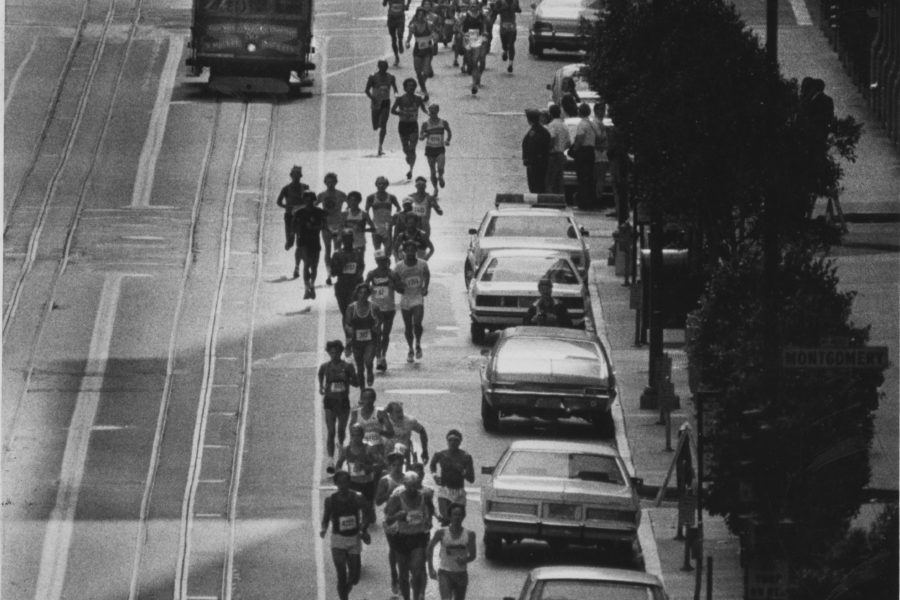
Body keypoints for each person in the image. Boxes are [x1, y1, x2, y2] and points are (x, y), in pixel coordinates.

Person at [383, 471, 436, 600]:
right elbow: (388, 519)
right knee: (403, 574)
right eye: (410, 485)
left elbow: (431, 509)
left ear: (419, 484)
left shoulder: (425, 496)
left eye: (415, 485)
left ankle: (417, 596)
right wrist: (397, 516)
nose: (412, 489)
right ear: (404, 484)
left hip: (418, 538)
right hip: (401, 538)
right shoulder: (397, 497)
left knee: (417, 572)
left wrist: (428, 519)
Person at [320, 469, 371, 600]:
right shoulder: (330, 500)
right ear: (336, 483)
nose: (343, 486)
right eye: (340, 483)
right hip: (338, 540)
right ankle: (343, 596)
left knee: (355, 578)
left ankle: (346, 589)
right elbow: (325, 518)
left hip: (354, 539)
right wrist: (323, 529)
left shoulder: (358, 497)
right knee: (341, 575)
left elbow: (367, 514)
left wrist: (363, 528)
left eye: (346, 482)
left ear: (350, 483)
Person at [318, 340, 359, 472]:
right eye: (332, 353)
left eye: (337, 353)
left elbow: (356, 383)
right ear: (328, 353)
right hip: (329, 402)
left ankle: (341, 449)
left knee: (341, 431)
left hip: (343, 403)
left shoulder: (348, 367)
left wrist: (347, 378)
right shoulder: (325, 367)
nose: (334, 355)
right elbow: (320, 375)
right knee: (331, 431)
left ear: (341, 352)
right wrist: (321, 386)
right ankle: (330, 459)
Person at [375, 448, 408, 596]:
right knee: (394, 548)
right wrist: (390, 492)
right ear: (390, 465)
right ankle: (395, 575)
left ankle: (403, 575)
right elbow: (378, 501)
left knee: (405, 549)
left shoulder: (408, 478)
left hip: (407, 518)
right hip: (391, 518)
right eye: (395, 464)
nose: (398, 467)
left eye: (400, 464)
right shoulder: (385, 480)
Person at [426, 503, 476, 600]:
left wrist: (465, 560)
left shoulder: (469, 534)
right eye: (454, 514)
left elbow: (473, 555)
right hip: (445, 573)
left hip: (461, 574)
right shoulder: (441, 533)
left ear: (463, 516)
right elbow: (430, 548)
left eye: (459, 515)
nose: (457, 517)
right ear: (450, 516)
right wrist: (431, 568)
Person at [336, 423, 381, 525]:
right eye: (353, 435)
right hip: (353, 483)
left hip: (367, 483)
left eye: (358, 435)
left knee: (368, 514)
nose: (356, 438)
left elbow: (380, 464)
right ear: (350, 436)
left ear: (363, 435)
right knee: (352, 509)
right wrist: (340, 478)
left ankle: (370, 513)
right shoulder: (346, 450)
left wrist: (366, 467)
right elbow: (338, 465)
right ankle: (357, 529)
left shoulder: (369, 449)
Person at [394, 240, 431, 363]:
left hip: (417, 298)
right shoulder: (399, 266)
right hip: (405, 299)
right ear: (403, 252)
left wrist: (425, 287)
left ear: (416, 251)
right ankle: (410, 348)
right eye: (407, 250)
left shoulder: (422, 264)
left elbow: (427, 274)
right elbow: (394, 279)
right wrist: (398, 287)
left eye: (412, 250)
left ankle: (418, 344)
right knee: (408, 327)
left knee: (417, 323)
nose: (410, 253)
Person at [429, 430, 475, 526]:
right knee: (445, 519)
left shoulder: (466, 457)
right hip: (445, 491)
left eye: (456, 440)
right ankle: (444, 537)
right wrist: (434, 475)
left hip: (458, 492)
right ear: (447, 441)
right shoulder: (440, 454)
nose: (453, 443)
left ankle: (455, 539)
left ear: (460, 442)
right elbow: (432, 464)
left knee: (457, 520)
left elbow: (471, 479)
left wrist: (462, 471)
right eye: (450, 440)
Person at [365, 249, 400, 372]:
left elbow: (401, 289)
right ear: (376, 261)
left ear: (386, 260)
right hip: (376, 309)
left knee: (385, 335)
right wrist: (368, 289)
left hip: (389, 309)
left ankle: (383, 356)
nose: (382, 263)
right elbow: (364, 290)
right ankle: (378, 358)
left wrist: (393, 285)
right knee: (377, 334)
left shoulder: (392, 274)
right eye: (379, 261)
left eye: (383, 260)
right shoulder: (371, 274)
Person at [344, 282, 382, 387]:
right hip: (356, 341)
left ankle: (370, 371)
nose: (363, 295)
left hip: (370, 340)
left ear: (368, 294)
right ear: (357, 294)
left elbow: (379, 321)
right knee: (360, 368)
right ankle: (362, 392)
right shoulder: (351, 308)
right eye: (360, 293)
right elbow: (347, 324)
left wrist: (377, 327)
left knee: (368, 361)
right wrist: (349, 331)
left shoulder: (374, 307)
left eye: (365, 293)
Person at [391, 78, 430, 181]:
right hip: (403, 125)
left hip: (413, 125)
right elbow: (392, 110)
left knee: (412, 149)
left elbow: (423, 108)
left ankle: (411, 170)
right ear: (405, 87)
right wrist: (401, 113)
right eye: (409, 86)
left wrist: (428, 113)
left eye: (413, 86)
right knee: (406, 149)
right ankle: (409, 157)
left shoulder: (418, 99)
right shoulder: (400, 99)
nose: (411, 87)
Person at [292, 190, 328, 298]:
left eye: (310, 199)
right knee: (306, 265)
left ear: (313, 200)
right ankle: (307, 287)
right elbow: (293, 226)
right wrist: (292, 236)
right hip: (303, 242)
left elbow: (324, 225)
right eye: (306, 199)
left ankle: (312, 285)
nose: (308, 202)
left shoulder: (319, 212)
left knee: (314, 266)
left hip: (315, 241)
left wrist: (315, 227)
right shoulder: (299, 212)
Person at [316, 172, 348, 285]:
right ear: (325, 182)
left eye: (332, 182)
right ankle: (329, 274)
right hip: (326, 226)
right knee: (328, 249)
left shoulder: (341, 194)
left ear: (336, 182)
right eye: (328, 182)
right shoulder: (321, 195)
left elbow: (351, 204)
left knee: (338, 250)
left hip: (338, 225)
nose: (330, 184)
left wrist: (344, 214)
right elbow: (314, 205)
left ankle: (339, 273)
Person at [365, 60, 399, 156]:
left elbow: (395, 89)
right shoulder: (373, 77)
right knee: (375, 127)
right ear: (378, 67)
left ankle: (380, 146)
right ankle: (379, 124)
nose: (384, 68)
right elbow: (367, 90)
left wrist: (397, 97)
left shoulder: (391, 77)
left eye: (386, 66)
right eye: (382, 66)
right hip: (376, 103)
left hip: (385, 102)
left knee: (383, 125)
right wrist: (373, 98)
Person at [349, 387, 394, 458]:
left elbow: (391, 433)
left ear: (374, 399)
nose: (368, 401)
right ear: (361, 399)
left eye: (370, 398)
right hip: (360, 445)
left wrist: (380, 432)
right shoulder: (355, 413)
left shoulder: (380, 413)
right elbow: (351, 432)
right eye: (365, 398)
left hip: (377, 445)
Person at [275, 165, 310, 257]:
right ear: (291, 176)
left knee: (301, 239)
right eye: (294, 175)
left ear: (300, 176)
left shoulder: (305, 187)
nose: (296, 177)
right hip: (290, 216)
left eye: (298, 175)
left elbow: (310, 200)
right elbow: (278, 202)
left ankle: (301, 255)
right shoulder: (286, 188)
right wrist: (287, 206)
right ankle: (289, 243)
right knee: (290, 241)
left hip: (302, 216)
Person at [330, 229, 366, 318]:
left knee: (355, 312)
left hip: (355, 286)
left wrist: (357, 283)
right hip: (342, 287)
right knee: (345, 314)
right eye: (345, 238)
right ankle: (347, 330)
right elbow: (333, 273)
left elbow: (361, 268)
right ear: (342, 240)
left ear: (352, 239)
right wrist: (342, 266)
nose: (348, 241)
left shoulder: (358, 253)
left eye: (349, 238)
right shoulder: (337, 254)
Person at [420, 104, 452, 196]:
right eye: (430, 112)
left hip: (440, 149)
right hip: (430, 150)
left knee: (440, 168)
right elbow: (421, 136)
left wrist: (448, 140)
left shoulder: (443, 122)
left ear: (437, 112)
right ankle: (435, 189)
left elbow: (449, 131)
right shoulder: (425, 124)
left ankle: (441, 176)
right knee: (433, 171)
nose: (431, 114)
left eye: (433, 112)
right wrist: (424, 136)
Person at [570, 102, 598, 209]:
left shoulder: (582, 124)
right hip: (591, 152)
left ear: (579, 112)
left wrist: (575, 150)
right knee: (589, 178)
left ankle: (583, 202)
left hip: (583, 152)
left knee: (582, 178)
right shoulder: (592, 124)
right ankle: (590, 201)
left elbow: (580, 139)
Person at [366, 176, 402, 255]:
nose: (381, 186)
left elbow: (399, 209)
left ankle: (387, 265)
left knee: (388, 248)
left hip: (387, 226)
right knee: (377, 249)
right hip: (376, 225)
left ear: (386, 185)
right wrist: (370, 223)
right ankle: (380, 265)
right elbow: (366, 212)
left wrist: (394, 218)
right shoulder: (371, 197)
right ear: (376, 185)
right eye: (379, 184)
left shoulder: (391, 197)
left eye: (383, 184)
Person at [385, 401, 430, 465]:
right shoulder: (383, 421)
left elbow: (422, 431)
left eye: (401, 411)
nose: (401, 414)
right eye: (397, 412)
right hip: (388, 451)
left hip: (404, 451)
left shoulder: (409, 420)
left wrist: (425, 451)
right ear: (390, 414)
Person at [406, 7, 435, 100]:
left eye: (422, 15)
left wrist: (434, 40)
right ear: (416, 15)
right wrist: (407, 43)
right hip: (418, 51)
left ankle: (423, 89)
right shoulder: (413, 26)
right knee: (418, 72)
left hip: (427, 51)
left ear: (425, 16)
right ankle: (423, 89)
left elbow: (434, 34)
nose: (421, 17)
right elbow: (409, 37)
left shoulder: (429, 24)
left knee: (426, 72)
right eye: (419, 15)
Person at [459, 2, 487, 94]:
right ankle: (474, 77)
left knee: (477, 61)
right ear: (469, 6)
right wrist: (463, 34)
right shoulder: (464, 15)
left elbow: (485, 26)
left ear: (478, 6)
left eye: (475, 5)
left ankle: (474, 84)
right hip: (468, 39)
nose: (473, 6)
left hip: (478, 38)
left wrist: (484, 33)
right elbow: (459, 26)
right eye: (471, 5)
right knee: (470, 61)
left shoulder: (482, 15)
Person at [522, 108, 551, 193]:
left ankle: (537, 203)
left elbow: (530, 147)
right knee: (541, 185)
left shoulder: (534, 132)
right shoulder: (544, 131)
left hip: (535, 164)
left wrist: (527, 161)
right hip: (543, 163)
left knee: (535, 186)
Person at [545, 104, 571, 195]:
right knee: (560, 179)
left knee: (551, 179)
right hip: (561, 154)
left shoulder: (552, 125)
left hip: (553, 155)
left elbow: (552, 137)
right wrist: (562, 148)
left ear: (550, 114)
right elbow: (568, 143)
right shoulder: (564, 126)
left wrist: (549, 148)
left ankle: (550, 199)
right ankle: (560, 198)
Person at [493, 0, 520, 73]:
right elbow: (495, 10)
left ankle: (510, 64)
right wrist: (503, 9)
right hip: (503, 27)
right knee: (504, 44)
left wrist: (517, 10)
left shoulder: (515, 1)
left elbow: (518, 9)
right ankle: (505, 50)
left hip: (512, 26)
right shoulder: (500, 1)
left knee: (511, 44)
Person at [592, 101, 610, 205]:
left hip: (603, 156)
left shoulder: (601, 123)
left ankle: (598, 197)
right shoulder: (596, 123)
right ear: (595, 111)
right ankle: (598, 199)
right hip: (599, 156)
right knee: (599, 179)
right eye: (600, 110)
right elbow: (598, 138)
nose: (602, 112)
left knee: (601, 179)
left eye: (603, 110)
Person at [385, 0, 410, 65]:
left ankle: (400, 41)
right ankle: (396, 57)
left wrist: (407, 5)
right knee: (393, 39)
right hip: (391, 18)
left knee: (399, 33)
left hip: (400, 18)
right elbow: (384, 4)